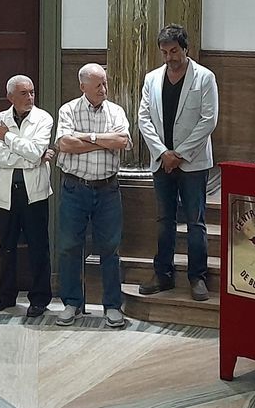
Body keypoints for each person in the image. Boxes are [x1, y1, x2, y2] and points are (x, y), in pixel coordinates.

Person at [136, 24, 219, 302]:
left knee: (195, 222)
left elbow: (209, 120)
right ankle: (163, 275)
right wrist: (163, 153)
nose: (169, 57)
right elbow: (143, 118)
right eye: (164, 52)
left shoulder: (204, 78)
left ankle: (197, 277)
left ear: (185, 49)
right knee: (164, 220)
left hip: (192, 163)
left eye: (174, 51)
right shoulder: (152, 79)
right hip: (162, 162)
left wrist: (179, 153)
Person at [55, 63, 131, 329]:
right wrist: (102, 140)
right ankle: (72, 303)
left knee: (110, 248)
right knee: (69, 247)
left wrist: (86, 139)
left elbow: (122, 141)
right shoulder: (68, 110)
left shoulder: (116, 111)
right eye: (98, 85)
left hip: (108, 189)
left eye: (105, 83)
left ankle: (112, 306)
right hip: (75, 188)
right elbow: (64, 144)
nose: (104, 89)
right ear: (83, 86)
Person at [0, 75, 54, 318]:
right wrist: (31, 155)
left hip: (34, 194)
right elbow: (2, 159)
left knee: (38, 247)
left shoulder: (43, 118)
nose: (30, 97)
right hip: (5, 193)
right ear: (10, 97)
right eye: (24, 93)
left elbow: (36, 152)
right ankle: (6, 296)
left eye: (32, 92)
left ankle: (39, 298)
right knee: (7, 247)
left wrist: (8, 137)